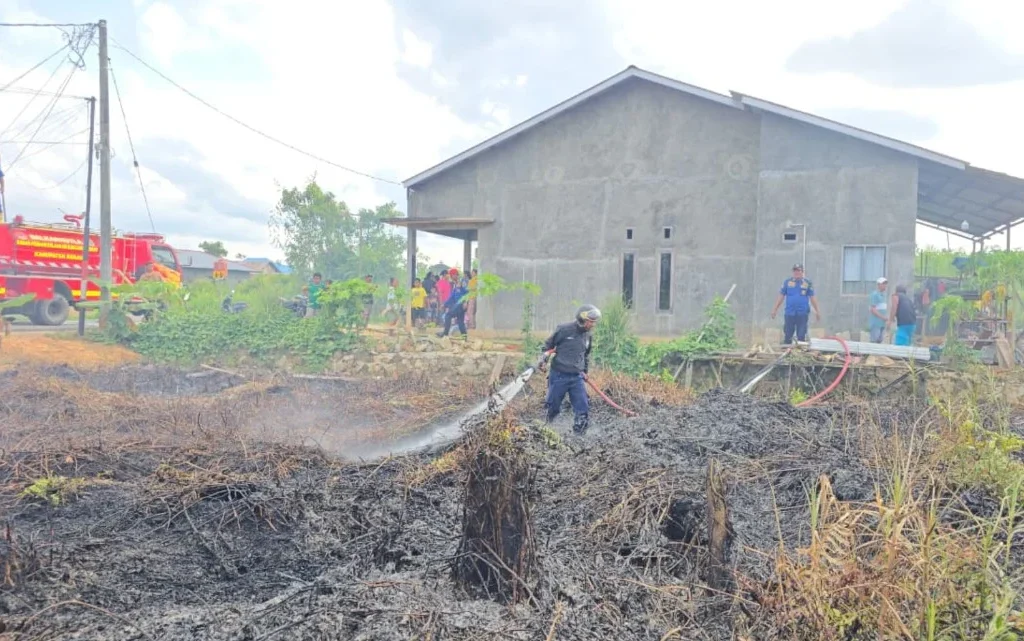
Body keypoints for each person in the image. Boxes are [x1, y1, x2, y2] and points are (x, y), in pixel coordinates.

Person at [537, 304, 601, 435]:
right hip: (559, 375)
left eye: (594, 322)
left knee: (582, 410)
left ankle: (579, 439)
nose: (593, 325)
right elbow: (548, 346)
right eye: (591, 322)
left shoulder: (588, 336)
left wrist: (585, 372)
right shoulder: (564, 329)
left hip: (577, 377)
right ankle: (544, 432)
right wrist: (543, 359)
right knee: (552, 408)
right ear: (582, 319)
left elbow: (585, 355)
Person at [770, 263, 821, 345]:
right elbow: (781, 296)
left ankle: (799, 355)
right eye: (795, 271)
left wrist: (817, 311)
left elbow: (812, 298)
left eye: (798, 271)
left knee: (801, 336)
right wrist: (774, 309)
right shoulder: (787, 282)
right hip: (790, 313)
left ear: (802, 272)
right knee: (788, 335)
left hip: (802, 313)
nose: (796, 272)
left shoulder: (807, 283)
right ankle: (787, 353)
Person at [437, 270, 468, 338]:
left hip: (460, 303)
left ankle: (445, 334)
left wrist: (465, 301)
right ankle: (464, 336)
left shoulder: (461, 282)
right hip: (457, 304)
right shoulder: (453, 284)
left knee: (448, 315)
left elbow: (467, 292)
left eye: (451, 275)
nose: (450, 277)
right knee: (460, 321)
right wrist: (444, 304)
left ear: (454, 275)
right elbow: (452, 297)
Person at [868, 277, 889, 343]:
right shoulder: (875, 295)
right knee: (874, 341)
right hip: (876, 323)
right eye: (883, 283)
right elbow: (873, 309)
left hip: (882, 323)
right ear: (879, 285)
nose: (885, 285)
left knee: (879, 341)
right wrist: (883, 317)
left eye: (885, 283)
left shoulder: (883, 295)